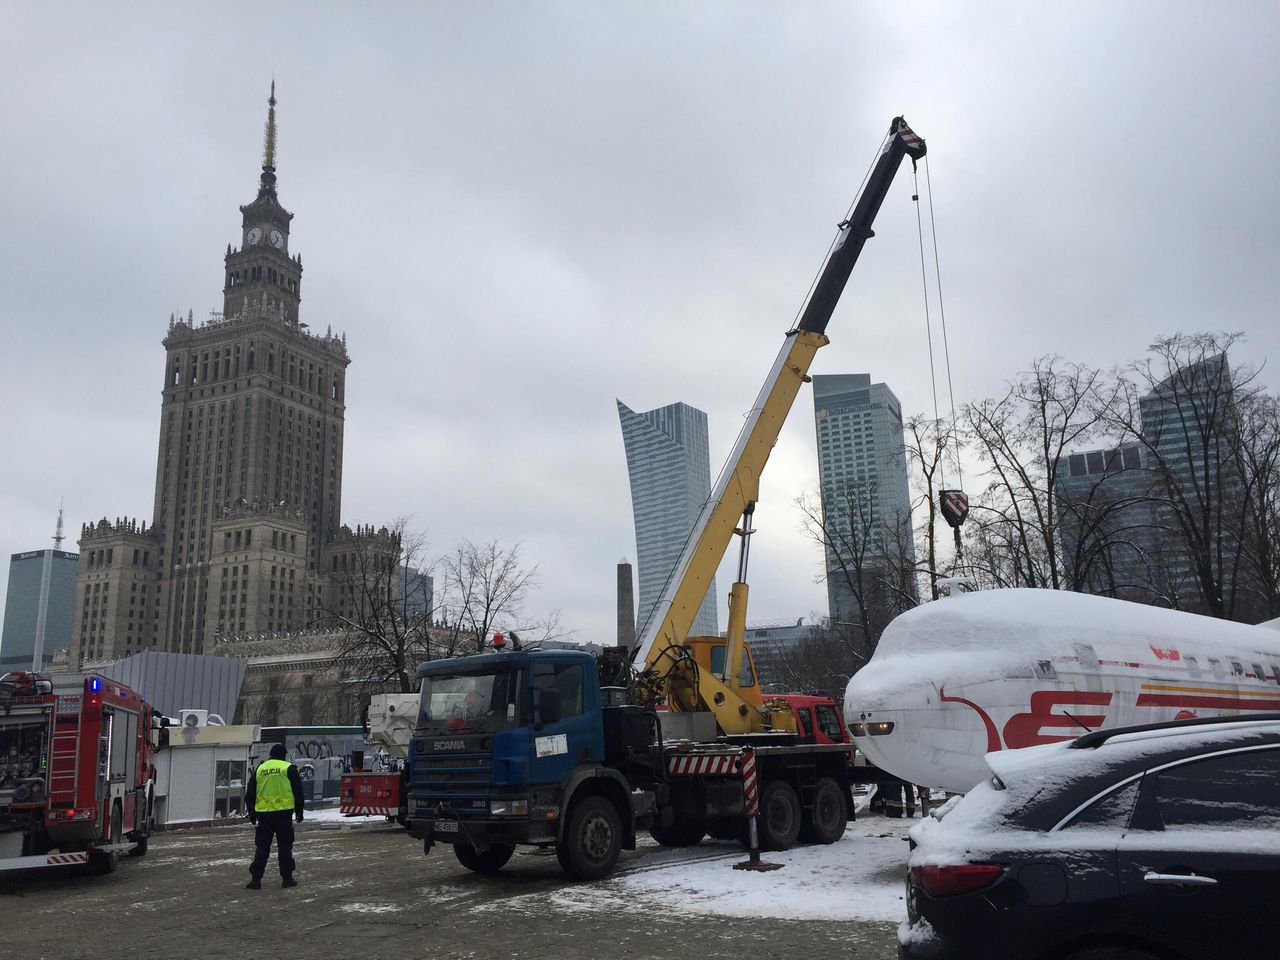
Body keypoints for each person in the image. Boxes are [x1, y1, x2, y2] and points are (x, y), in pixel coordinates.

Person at [244, 743, 305, 889]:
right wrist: (299, 812)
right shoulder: (288, 768)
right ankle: (287, 879)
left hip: (264, 815)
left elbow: (250, 793)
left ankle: (255, 880)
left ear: (270, 755)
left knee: (262, 847)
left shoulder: (261, 768)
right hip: (283, 814)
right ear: (284, 755)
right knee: (285, 847)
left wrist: (252, 812)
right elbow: (298, 793)